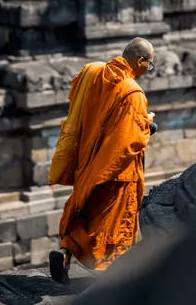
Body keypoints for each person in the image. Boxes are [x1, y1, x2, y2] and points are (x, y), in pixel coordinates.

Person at [48, 37, 158, 283]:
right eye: (149, 65)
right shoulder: (133, 92)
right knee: (113, 230)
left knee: (86, 216)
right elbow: (128, 140)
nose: (147, 71)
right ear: (140, 60)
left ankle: (64, 253)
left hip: (87, 163)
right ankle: (113, 282)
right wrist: (147, 124)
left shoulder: (94, 73)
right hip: (116, 173)